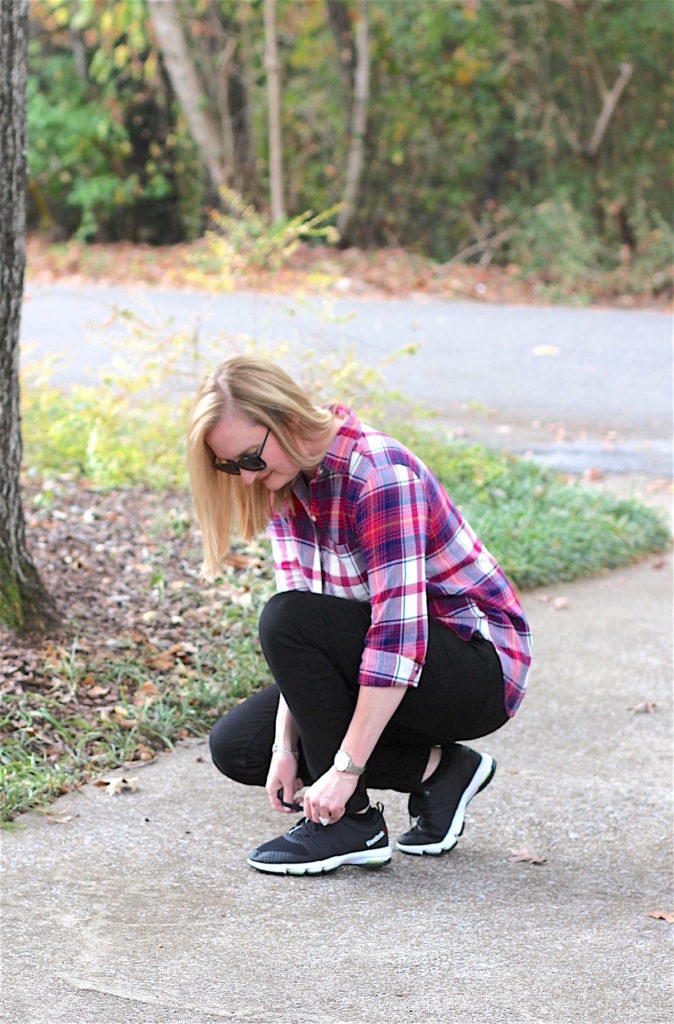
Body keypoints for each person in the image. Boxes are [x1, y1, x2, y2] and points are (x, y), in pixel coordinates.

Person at [187, 356, 532, 876]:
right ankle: (443, 773)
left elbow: (396, 642)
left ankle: (352, 825)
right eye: (231, 467)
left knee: (285, 618)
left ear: (286, 419)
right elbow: (308, 639)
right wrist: (286, 747)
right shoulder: (287, 485)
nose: (247, 479)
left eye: (250, 460)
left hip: (475, 668)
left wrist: (343, 774)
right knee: (242, 748)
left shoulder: (377, 476)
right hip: (393, 658)